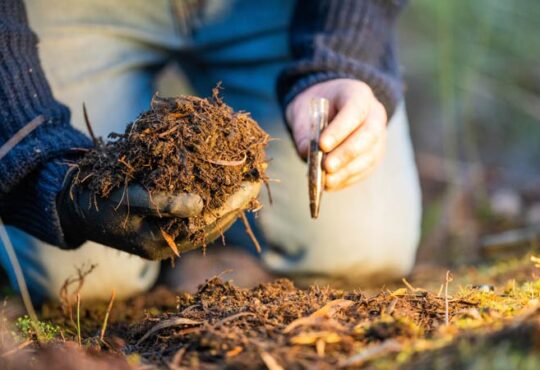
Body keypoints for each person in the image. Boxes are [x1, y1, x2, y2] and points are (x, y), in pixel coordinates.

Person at [0, 0, 421, 303]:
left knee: (358, 248)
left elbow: (348, 40)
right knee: (78, 281)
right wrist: (38, 160)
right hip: (68, 12)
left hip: (275, 10)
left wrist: (342, 57)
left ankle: (226, 236)